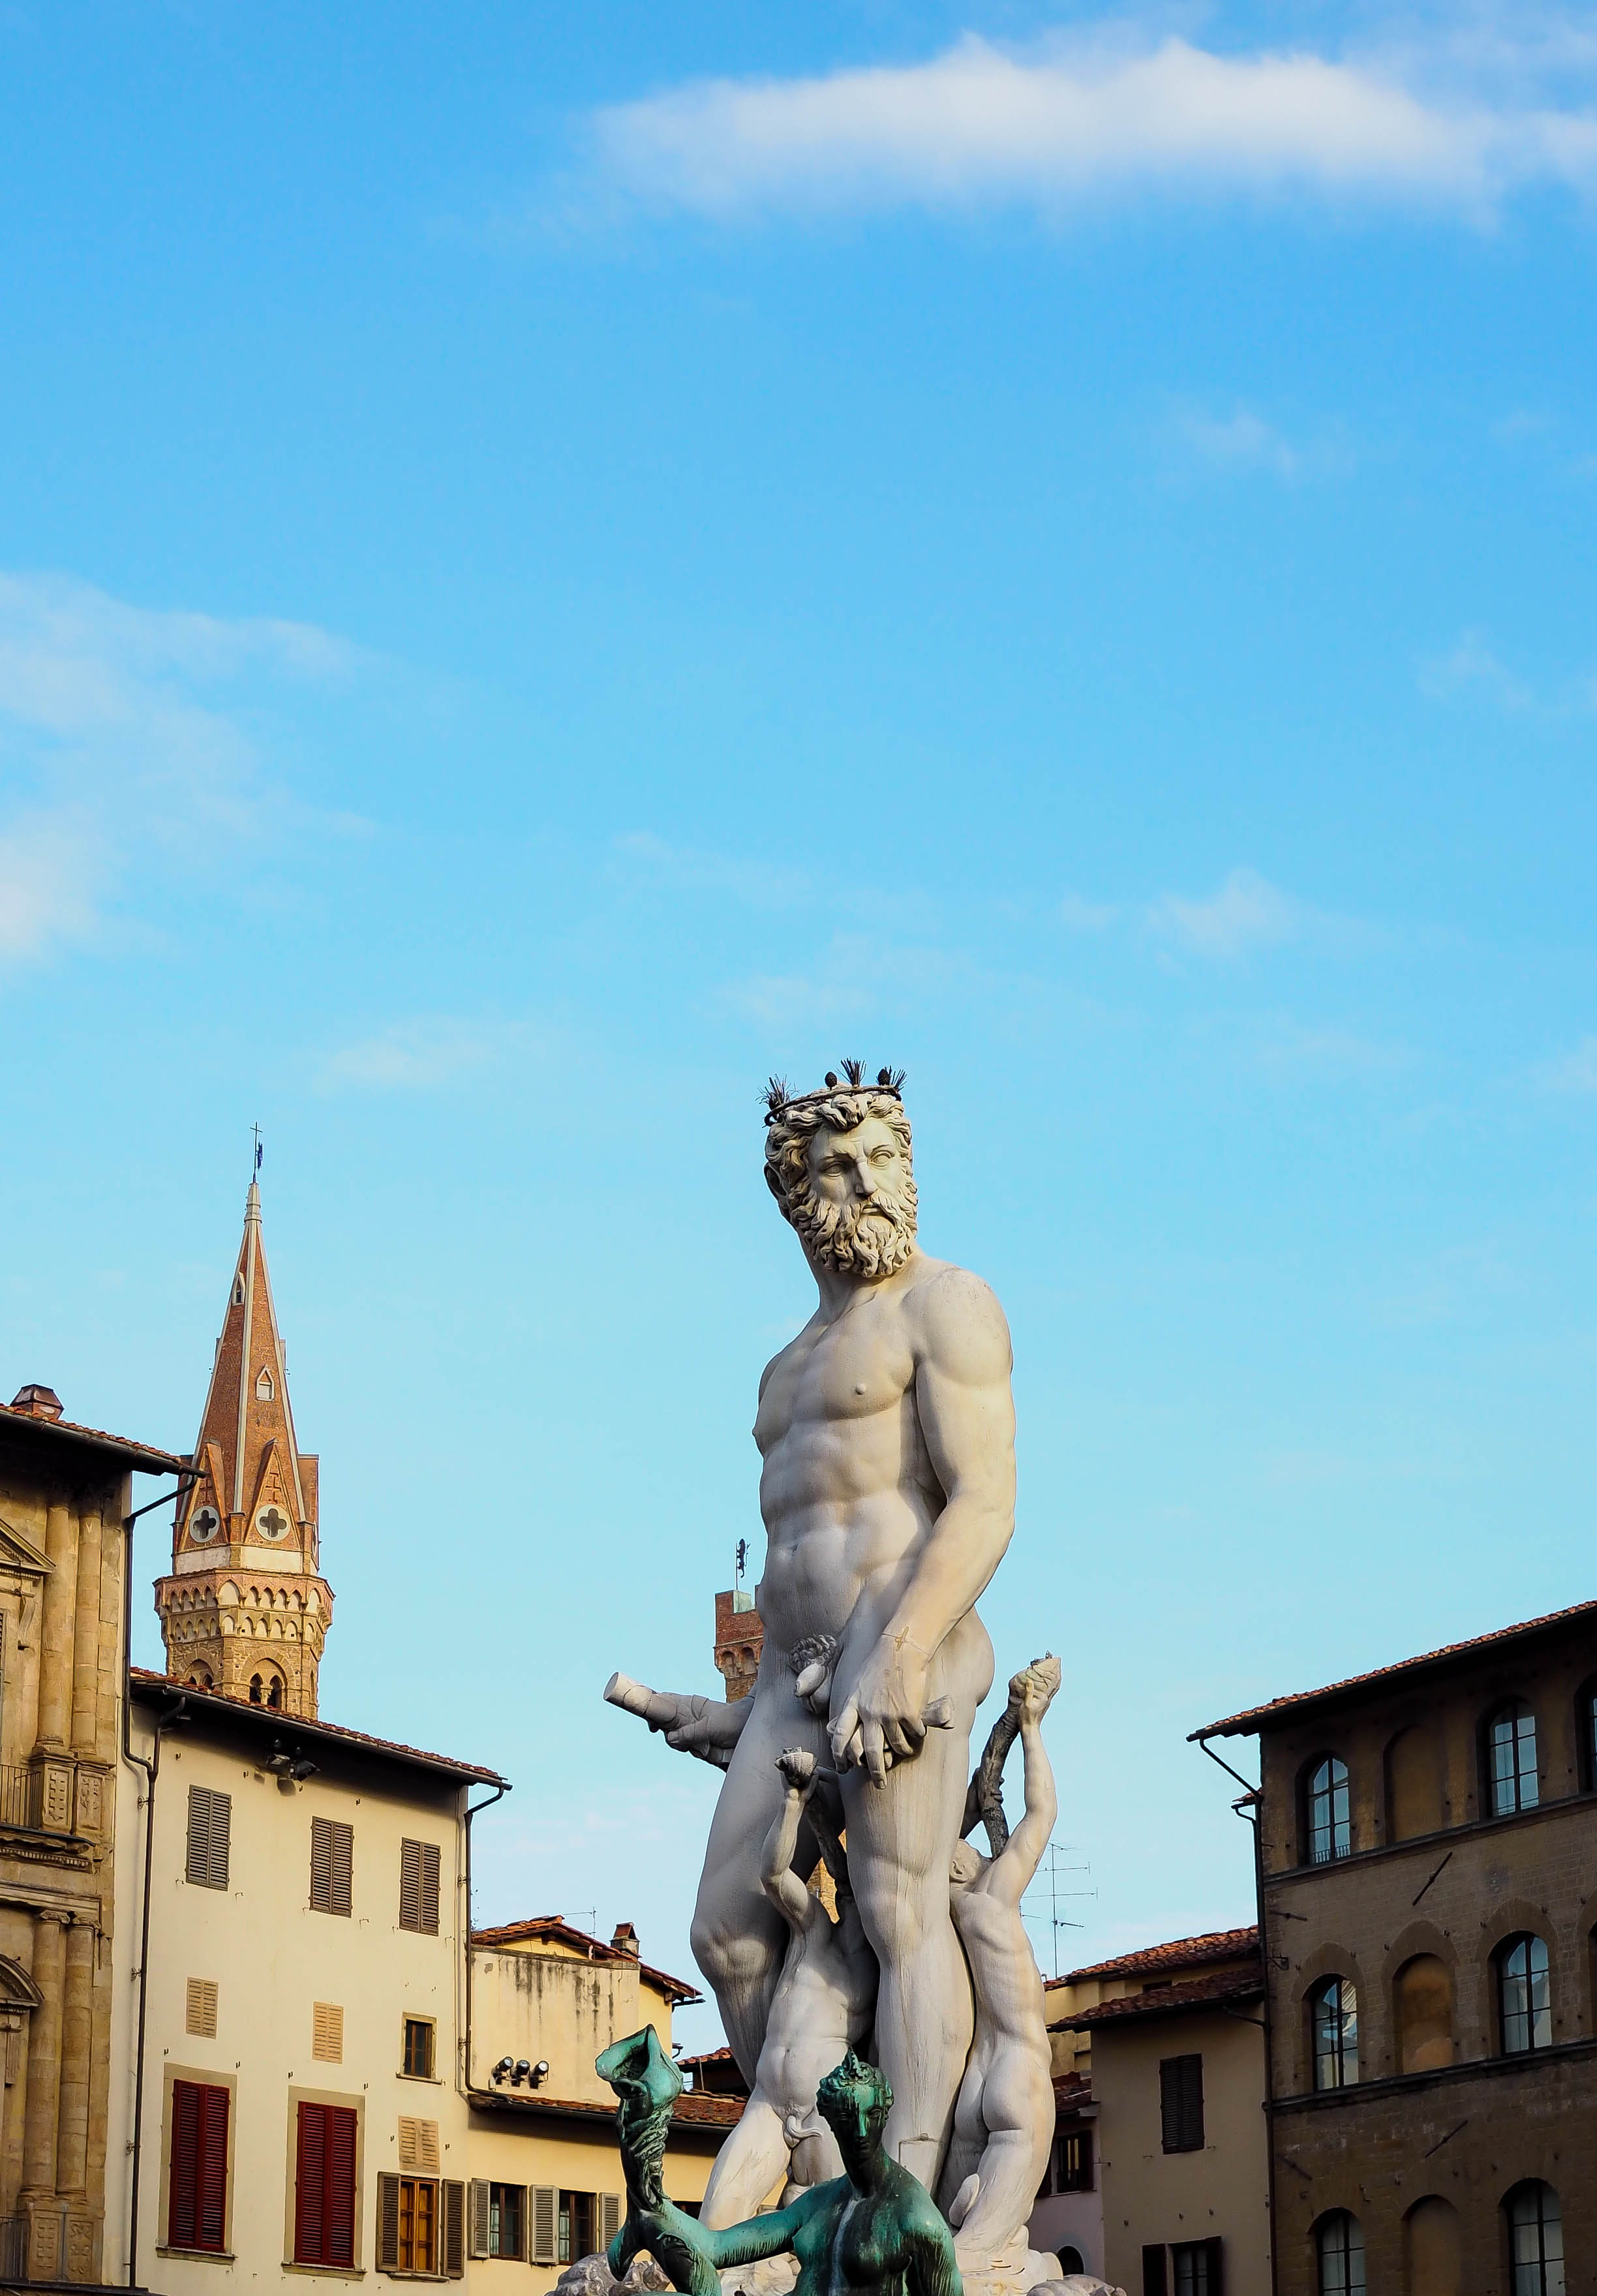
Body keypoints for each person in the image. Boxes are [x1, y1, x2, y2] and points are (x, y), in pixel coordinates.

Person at [611, 1069, 1016, 2181]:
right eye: (841, 1166)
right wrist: (736, 1709)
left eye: (885, 1158)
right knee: (725, 1931)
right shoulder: (785, 1363)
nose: (870, 1182)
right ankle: (821, 2175)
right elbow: (802, 1540)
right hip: (791, 1680)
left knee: (896, 1906)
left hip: (905, 1635)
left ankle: (908, 2190)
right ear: (795, 1193)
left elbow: (984, 1499)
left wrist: (898, 1650)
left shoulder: (948, 1301)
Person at [613, 2048, 962, 2296]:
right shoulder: (818, 2204)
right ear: (828, 2119)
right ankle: (645, 2150)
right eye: (845, 2117)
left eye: (870, 2116)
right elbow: (716, 2246)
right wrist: (654, 2202)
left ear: (884, 2115)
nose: (859, 2130)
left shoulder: (916, 2219)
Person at [697, 1749, 879, 2226]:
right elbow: (775, 1876)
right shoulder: (814, 1931)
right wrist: (793, 1801)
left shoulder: (886, 1974)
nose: (853, 1898)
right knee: (718, 2216)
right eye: (850, 1890)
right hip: (769, 2102)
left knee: (823, 2229)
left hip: (826, 2115)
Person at [937, 1657, 1062, 2271]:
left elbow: (978, 1813)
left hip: (971, 2085)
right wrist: (1032, 1726)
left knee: (941, 2249)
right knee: (973, 2264)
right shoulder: (993, 1897)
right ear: (973, 1865)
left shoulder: (948, 1912)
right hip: (1017, 2066)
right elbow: (1040, 1818)